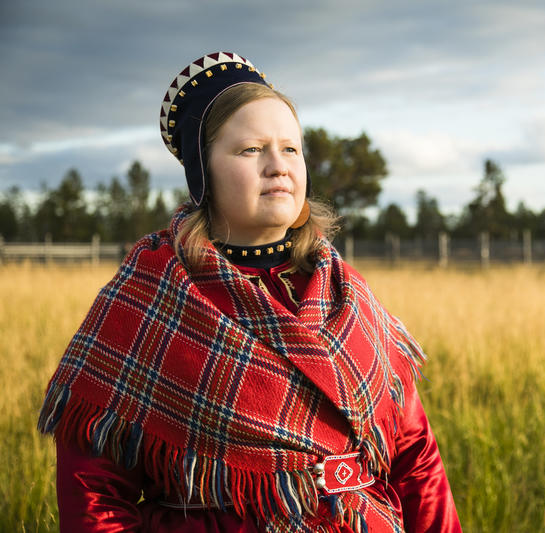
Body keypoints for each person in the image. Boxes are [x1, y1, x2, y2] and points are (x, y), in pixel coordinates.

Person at [38, 52, 461, 532]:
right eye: (250, 150)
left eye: (291, 149)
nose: (277, 166)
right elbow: (95, 491)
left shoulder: (349, 294)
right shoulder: (149, 298)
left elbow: (416, 459)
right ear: (203, 171)